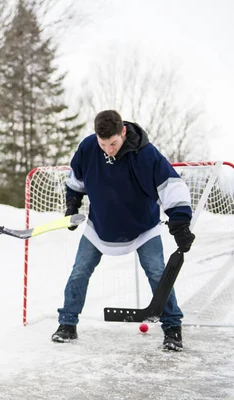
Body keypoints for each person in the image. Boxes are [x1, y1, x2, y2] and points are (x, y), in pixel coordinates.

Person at [52, 110, 196, 351]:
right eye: (103, 144)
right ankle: (67, 324)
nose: (108, 149)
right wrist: (72, 205)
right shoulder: (88, 148)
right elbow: (75, 182)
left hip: (143, 228)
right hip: (99, 227)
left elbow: (172, 186)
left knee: (158, 274)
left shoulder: (146, 154)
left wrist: (180, 222)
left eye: (113, 143)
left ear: (123, 132)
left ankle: (172, 328)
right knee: (79, 272)